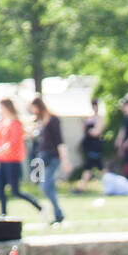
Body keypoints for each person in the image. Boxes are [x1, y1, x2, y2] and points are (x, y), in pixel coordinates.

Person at [0, 100, 43, 218]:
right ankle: (4, 213)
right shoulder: (3, 122)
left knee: (15, 191)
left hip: (13, 160)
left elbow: (12, 144)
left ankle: (39, 206)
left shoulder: (16, 123)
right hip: (2, 160)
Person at [29, 96, 71, 226]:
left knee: (45, 186)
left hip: (53, 157)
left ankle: (59, 213)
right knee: (49, 186)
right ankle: (58, 214)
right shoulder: (41, 120)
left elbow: (60, 141)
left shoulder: (53, 120)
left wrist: (65, 160)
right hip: (43, 157)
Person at [77, 98, 105, 189]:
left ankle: (82, 187)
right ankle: (82, 187)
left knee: (96, 166)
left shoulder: (99, 119)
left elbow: (96, 132)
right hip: (88, 146)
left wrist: (87, 129)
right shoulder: (90, 118)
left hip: (95, 146)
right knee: (91, 166)